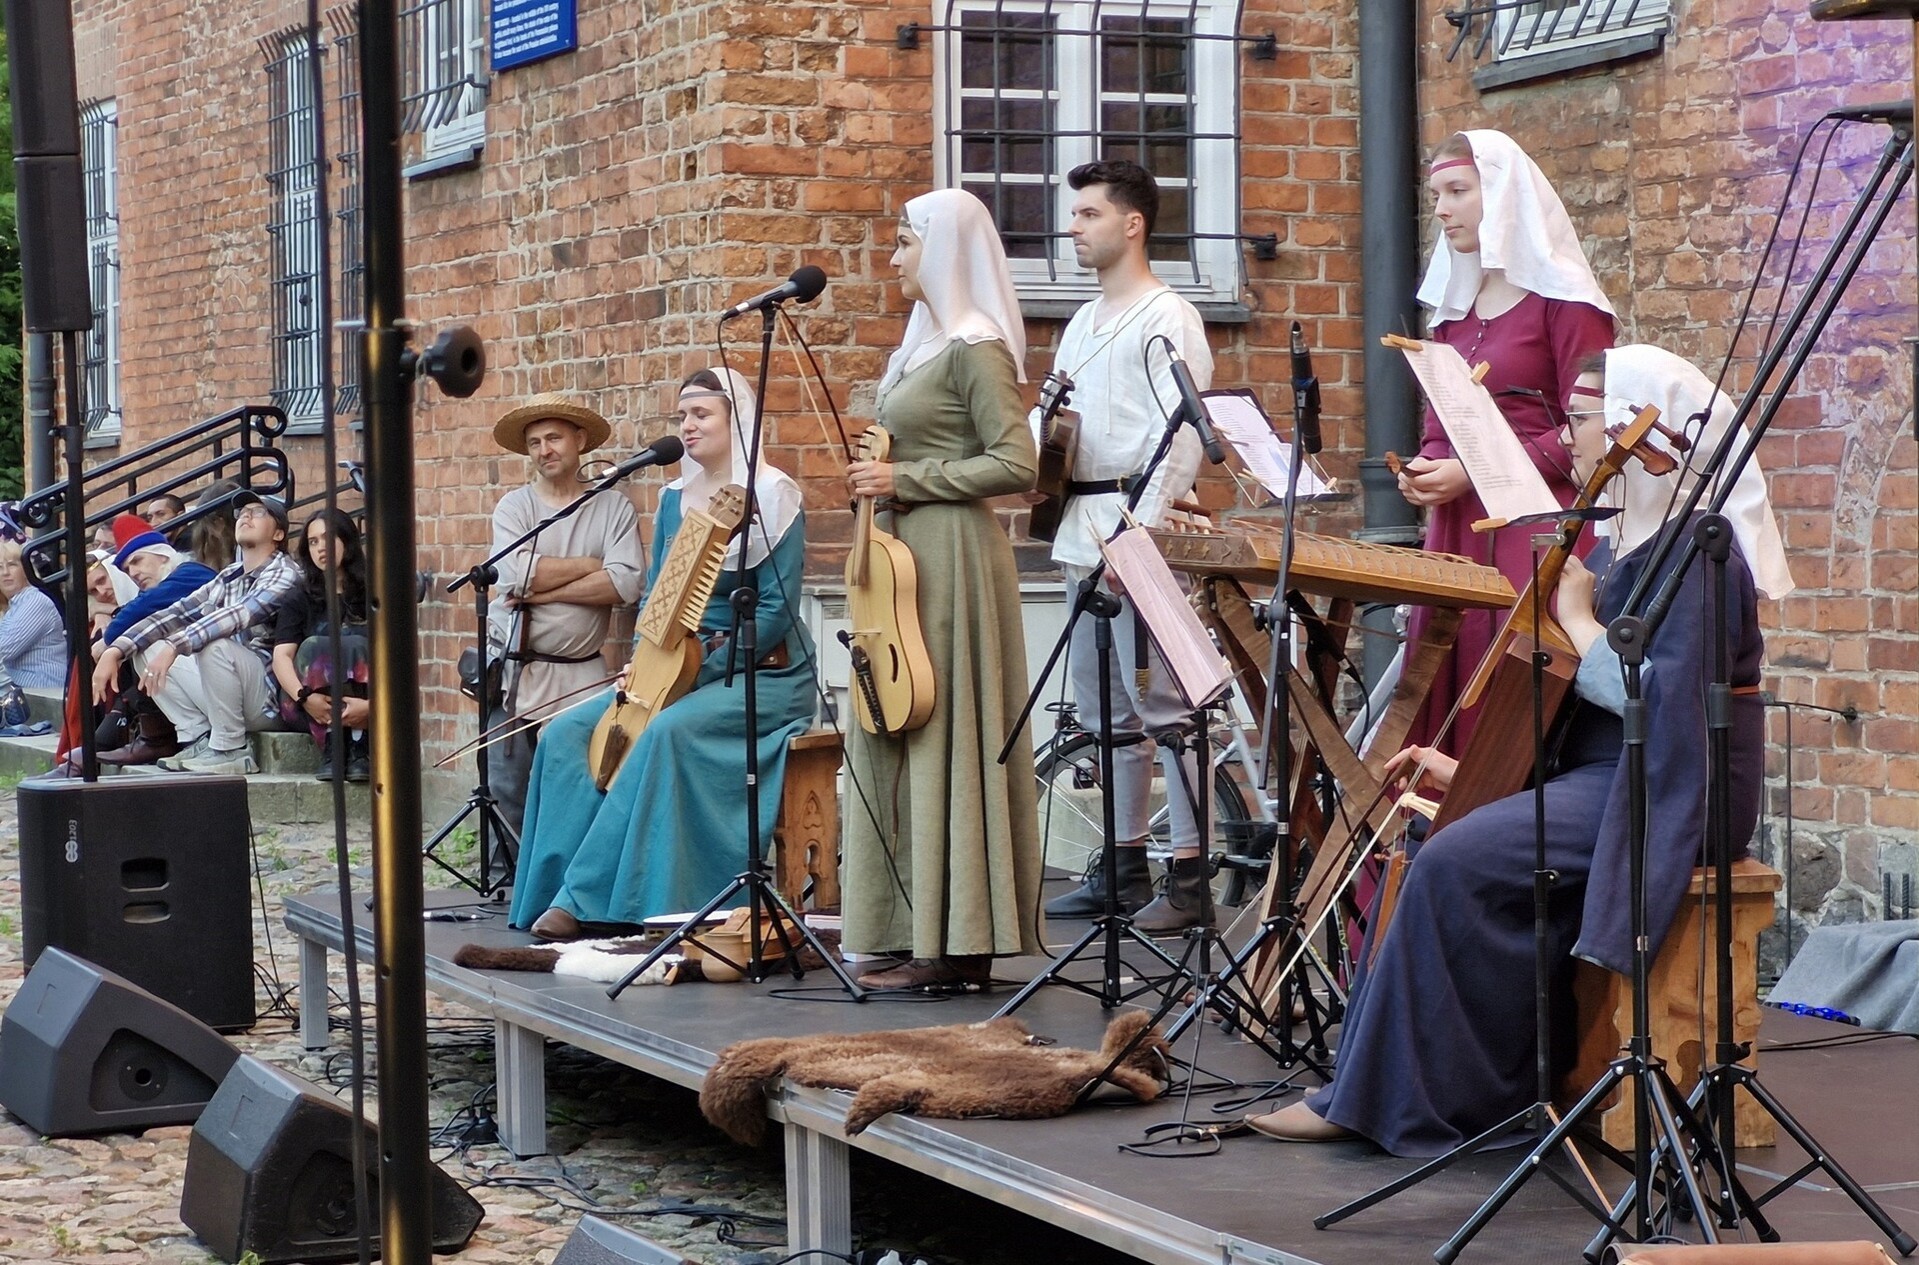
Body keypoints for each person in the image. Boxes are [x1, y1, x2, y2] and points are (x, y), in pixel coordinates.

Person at [1245, 345, 1791, 1154]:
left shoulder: (1699, 556)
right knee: (1429, 835)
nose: (1565, 435)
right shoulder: (1621, 543)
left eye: (1578, 417)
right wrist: (1484, 776)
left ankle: (1432, 1102)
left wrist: (1574, 617)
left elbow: (1656, 706)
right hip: (1610, 772)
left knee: (1455, 861)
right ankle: (1398, 1084)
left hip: (1672, 784)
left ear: (1636, 432)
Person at [510, 369, 816, 939]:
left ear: (736, 420)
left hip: (760, 672)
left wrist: (697, 671)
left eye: (701, 414)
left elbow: (775, 612)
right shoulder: (674, 498)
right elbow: (655, 596)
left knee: (664, 731)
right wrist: (643, 662)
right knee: (566, 734)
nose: (688, 426)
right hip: (671, 663)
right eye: (682, 416)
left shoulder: (775, 495)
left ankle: (593, 900)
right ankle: (551, 890)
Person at [839, 187, 1044, 992]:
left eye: (904, 242)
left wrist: (906, 477)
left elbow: (1016, 462)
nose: (893, 258)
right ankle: (904, 927)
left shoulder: (973, 345)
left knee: (943, 728)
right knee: (892, 720)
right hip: (903, 557)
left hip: (953, 557)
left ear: (943, 249)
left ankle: (957, 944)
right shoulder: (921, 344)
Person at [1031, 158, 1217, 933]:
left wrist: (1138, 530)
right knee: (1105, 710)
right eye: (1075, 213)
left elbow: (1181, 434)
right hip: (1081, 527)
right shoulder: (1082, 320)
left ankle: (1191, 874)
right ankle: (1122, 861)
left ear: (1131, 224)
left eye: (1088, 214)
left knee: (1166, 705)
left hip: (1133, 529)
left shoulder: (1167, 316)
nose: (1072, 227)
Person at [1401, 130, 1616, 757]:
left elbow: (1589, 424)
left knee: (1506, 684)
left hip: (1536, 522)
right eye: (1436, 196)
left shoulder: (1565, 302)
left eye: (1458, 192)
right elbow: (1442, 422)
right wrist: (1426, 467)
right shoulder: (1455, 310)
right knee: (1448, 664)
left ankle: (1505, 804)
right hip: (1460, 525)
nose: (1443, 210)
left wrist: (1474, 471)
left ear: (1500, 196)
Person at [487, 394, 647, 851]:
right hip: (519, 672)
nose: (545, 450)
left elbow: (625, 582)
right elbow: (513, 575)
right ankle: (511, 881)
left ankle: (564, 880)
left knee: (579, 786)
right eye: (534, 442)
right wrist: (589, 565)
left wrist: (542, 590)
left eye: (554, 438)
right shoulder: (515, 507)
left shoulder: (612, 508)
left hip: (582, 674)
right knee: (509, 790)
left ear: (579, 440)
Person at [92, 491, 303, 775]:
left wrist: (175, 645)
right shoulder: (229, 576)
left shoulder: (285, 572)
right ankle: (199, 737)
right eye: (242, 513)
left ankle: (232, 749)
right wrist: (116, 650)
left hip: (268, 699)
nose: (246, 517)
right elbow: (176, 613)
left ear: (278, 533)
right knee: (147, 647)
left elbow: (239, 615)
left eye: (258, 512)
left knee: (213, 645)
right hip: (229, 692)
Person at [94, 516, 220, 765]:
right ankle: (196, 737)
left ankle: (168, 737)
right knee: (142, 647)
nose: (133, 573)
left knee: (148, 644)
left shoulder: (192, 573)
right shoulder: (171, 579)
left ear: (162, 555)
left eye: (137, 561)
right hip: (215, 688)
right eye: (127, 570)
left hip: (238, 687)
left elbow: (144, 607)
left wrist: (108, 642)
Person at [272, 509, 372, 782]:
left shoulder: (374, 594)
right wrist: (305, 697)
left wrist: (372, 707)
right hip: (306, 703)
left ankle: (359, 745)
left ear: (347, 540)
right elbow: (282, 657)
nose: (320, 548)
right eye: (313, 542)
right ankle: (333, 743)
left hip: (368, 705)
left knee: (356, 643)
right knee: (315, 646)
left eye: (328, 538)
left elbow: (397, 658)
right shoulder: (298, 597)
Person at [0, 542, 69, 688]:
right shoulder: (14, 605)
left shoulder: (35, 601)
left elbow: (3, 649)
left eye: (12, 565)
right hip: (23, 693)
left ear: (26, 570)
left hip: (44, 692)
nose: (5, 572)